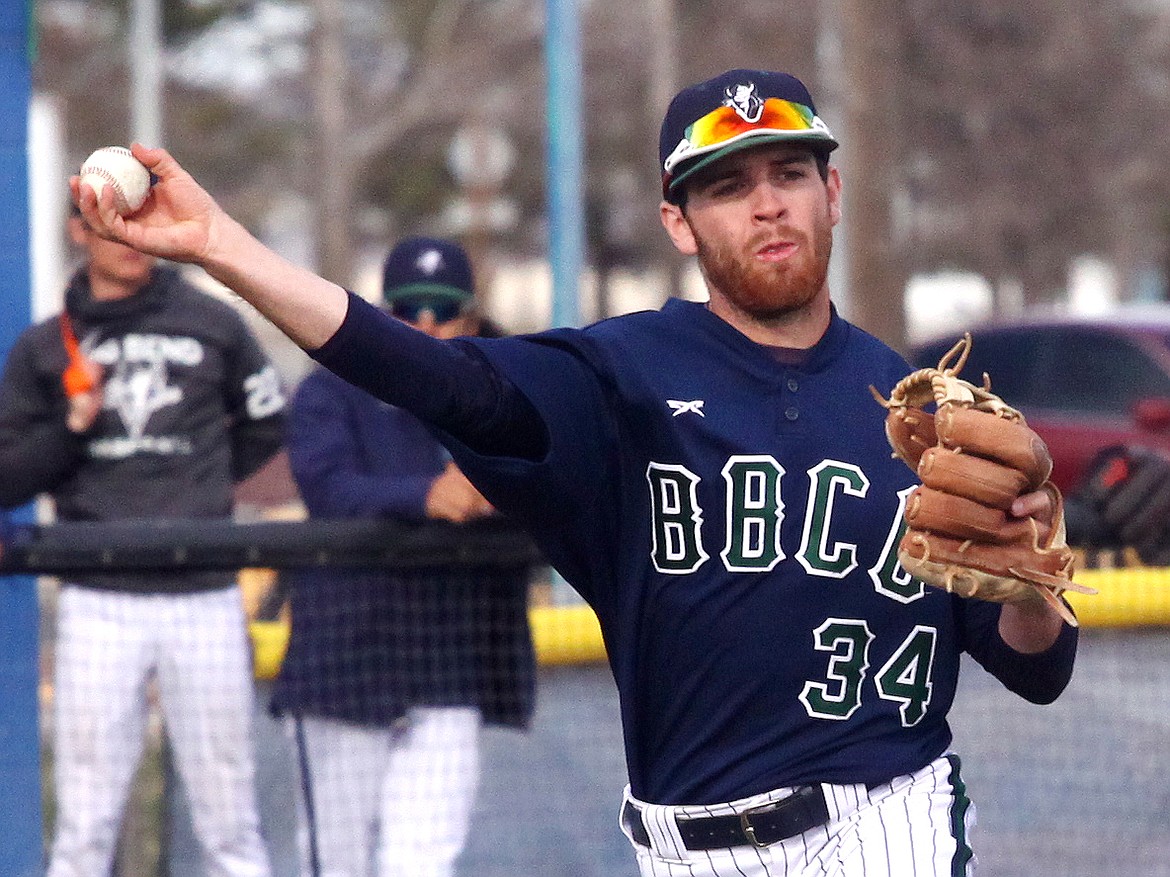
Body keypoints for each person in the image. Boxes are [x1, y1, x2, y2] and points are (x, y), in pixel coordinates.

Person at [73, 68, 1079, 877]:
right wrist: (223, 247)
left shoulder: (917, 412)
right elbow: (434, 374)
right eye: (727, 185)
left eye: (789, 172)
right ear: (680, 223)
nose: (766, 204)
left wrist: (1034, 588)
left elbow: (1034, 666)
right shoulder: (621, 377)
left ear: (835, 191)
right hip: (684, 840)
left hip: (886, 822)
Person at [0, 203, 285, 877]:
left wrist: (203, 484)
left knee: (230, 824)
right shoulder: (46, 345)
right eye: (109, 224)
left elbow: (265, 425)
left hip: (204, 592)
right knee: (84, 824)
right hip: (100, 597)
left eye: (138, 222)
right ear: (78, 229)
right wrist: (73, 427)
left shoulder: (214, 322)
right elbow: (8, 478)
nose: (129, 240)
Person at [270, 236, 535, 877]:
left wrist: (502, 490)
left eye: (441, 311)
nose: (424, 324)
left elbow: (553, 476)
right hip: (343, 659)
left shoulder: (503, 393)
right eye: (407, 309)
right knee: (334, 864)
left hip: (450, 660)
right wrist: (428, 495)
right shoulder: (331, 389)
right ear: (382, 315)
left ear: (469, 318)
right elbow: (328, 488)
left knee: (422, 863)